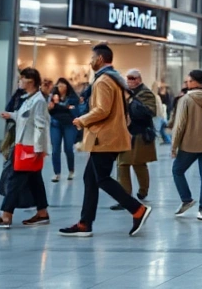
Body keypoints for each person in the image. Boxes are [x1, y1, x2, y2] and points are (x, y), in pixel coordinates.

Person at [59, 43, 152, 238]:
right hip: (111, 135)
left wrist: (82, 120)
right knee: (90, 179)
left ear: (100, 59)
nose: (90, 61)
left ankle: (137, 209)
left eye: (92, 58)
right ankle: (85, 223)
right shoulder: (114, 78)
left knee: (102, 178)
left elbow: (102, 109)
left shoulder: (102, 81)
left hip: (105, 137)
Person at [0, 68, 51, 228]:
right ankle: (42, 213)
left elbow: (40, 125)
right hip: (24, 145)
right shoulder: (28, 98)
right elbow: (26, 118)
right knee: (35, 181)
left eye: (22, 79)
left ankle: (6, 216)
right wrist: (11, 115)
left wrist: (37, 148)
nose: (20, 82)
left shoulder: (39, 101)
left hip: (29, 148)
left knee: (15, 179)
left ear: (31, 81)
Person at [172, 70, 202, 222]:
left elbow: (179, 125)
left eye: (188, 81)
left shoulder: (186, 99)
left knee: (177, 170)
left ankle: (186, 199)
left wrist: (174, 146)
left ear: (193, 82)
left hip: (189, 144)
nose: (187, 83)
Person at [111, 69, 158, 209]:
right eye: (128, 78)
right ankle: (125, 197)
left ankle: (143, 191)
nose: (130, 81)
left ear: (139, 79)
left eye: (133, 78)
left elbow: (148, 112)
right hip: (125, 133)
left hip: (139, 133)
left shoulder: (145, 93)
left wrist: (131, 100)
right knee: (122, 165)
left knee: (139, 164)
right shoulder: (124, 93)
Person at [48, 78, 80, 182]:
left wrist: (59, 106)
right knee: (55, 149)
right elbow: (50, 109)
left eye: (63, 85)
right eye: (59, 85)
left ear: (67, 86)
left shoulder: (73, 97)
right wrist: (66, 107)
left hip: (69, 125)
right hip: (55, 124)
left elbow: (75, 110)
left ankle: (71, 170)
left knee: (68, 149)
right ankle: (57, 173)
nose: (61, 87)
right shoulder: (52, 97)